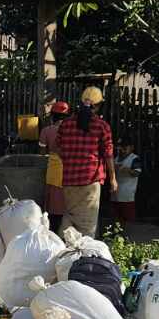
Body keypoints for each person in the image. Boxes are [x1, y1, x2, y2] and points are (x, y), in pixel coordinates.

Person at [55, 86, 116, 236]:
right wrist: (113, 178)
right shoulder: (102, 126)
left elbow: (58, 147)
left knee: (71, 216)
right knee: (87, 225)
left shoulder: (66, 124)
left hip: (69, 179)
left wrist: (70, 160)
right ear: (98, 105)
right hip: (90, 180)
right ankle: (84, 254)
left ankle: (61, 248)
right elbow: (108, 154)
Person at [38, 100, 71, 230]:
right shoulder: (72, 131)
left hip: (54, 170)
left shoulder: (46, 131)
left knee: (53, 203)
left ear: (52, 116)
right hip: (70, 169)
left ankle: (52, 230)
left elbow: (42, 152)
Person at [112, 139, 143, 227]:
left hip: (127, 195)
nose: (122, 149)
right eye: (120, 147)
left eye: (125, 146)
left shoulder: (134, 158)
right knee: (116, 217)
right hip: (115, 194)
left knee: (127, 218)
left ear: (132, 147)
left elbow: (137, 173)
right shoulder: (116, 158)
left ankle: (126, 237)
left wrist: (126, 170)